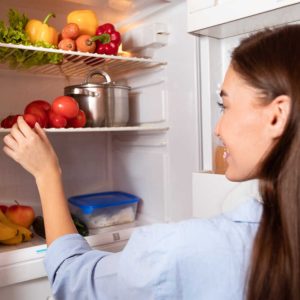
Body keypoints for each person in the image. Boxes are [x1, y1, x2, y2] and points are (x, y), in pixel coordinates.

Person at [2, 24, 300, 299]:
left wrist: (46, 172)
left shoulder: (188, 250)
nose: (217, 129)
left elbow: (72, 277)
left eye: (225, 105)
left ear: (276, 116)